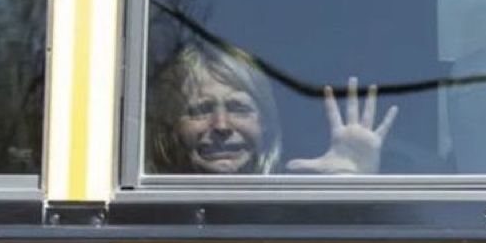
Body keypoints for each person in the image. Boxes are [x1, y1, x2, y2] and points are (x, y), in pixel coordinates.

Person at [146, 40, 398, 175]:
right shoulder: (147, 212)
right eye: (201, 110)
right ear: (172, 127)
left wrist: (350, 182)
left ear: (264, 124)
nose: (221, 125)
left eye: (238, 107)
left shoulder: (292, 205)